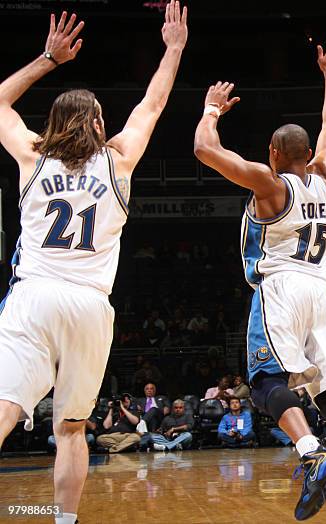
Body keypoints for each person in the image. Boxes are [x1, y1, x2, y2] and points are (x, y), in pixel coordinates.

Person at [194, 33, 326, 523]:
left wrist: (211, 109)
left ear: (273, 151)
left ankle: (312, 454)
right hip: (321, 291)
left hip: (282, 290)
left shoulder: (269, 184)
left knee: (265, 381)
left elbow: (205, 149)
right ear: (307, 152)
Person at [0, 4, 187, 523]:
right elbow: (153, 102)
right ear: (101, 122)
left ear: (52, 122)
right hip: (89, 306)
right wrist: (173, 47)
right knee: (71, 428)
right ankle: (64, 521)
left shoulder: (33, 156)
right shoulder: (119, 158)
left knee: (6, 408)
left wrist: (46, 59)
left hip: (34, 297)